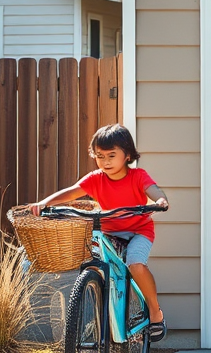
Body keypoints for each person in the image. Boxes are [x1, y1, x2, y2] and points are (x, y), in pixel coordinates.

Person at [30, 124, 170, 341]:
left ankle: (154, 312)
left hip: (138, 231)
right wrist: (45, 202)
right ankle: (103, 305)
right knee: (94, 263)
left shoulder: (137, 176)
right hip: (109, 232)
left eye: (111, 155)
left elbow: (153, 190)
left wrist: (160, 200)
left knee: (135, 264)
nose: (105, 162)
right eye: (100, 156)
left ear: (127, 155)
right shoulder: (96, 179)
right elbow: (72, 192)